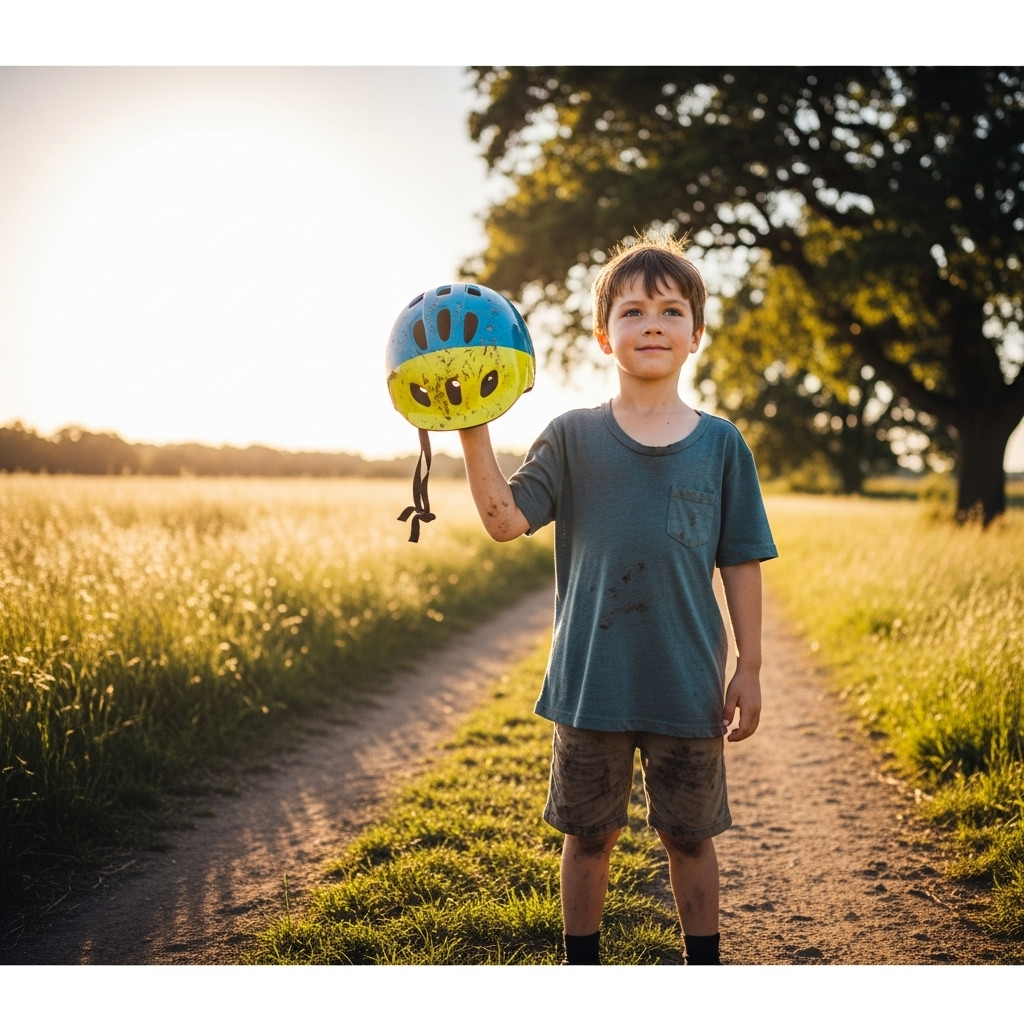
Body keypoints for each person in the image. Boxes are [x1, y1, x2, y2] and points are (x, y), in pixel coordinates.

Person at [458, 234, 778, 965]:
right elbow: (506, 521)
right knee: (588, 837)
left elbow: (742, 561)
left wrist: (750, 666)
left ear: (697, 335)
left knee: (689, 838)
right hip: (590, 684)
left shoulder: (722, 445)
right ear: (605, 336)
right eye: (633, 311)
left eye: (672, 310)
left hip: (688, 683)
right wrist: (472, 427)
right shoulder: (572, 437)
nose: (654, 324)